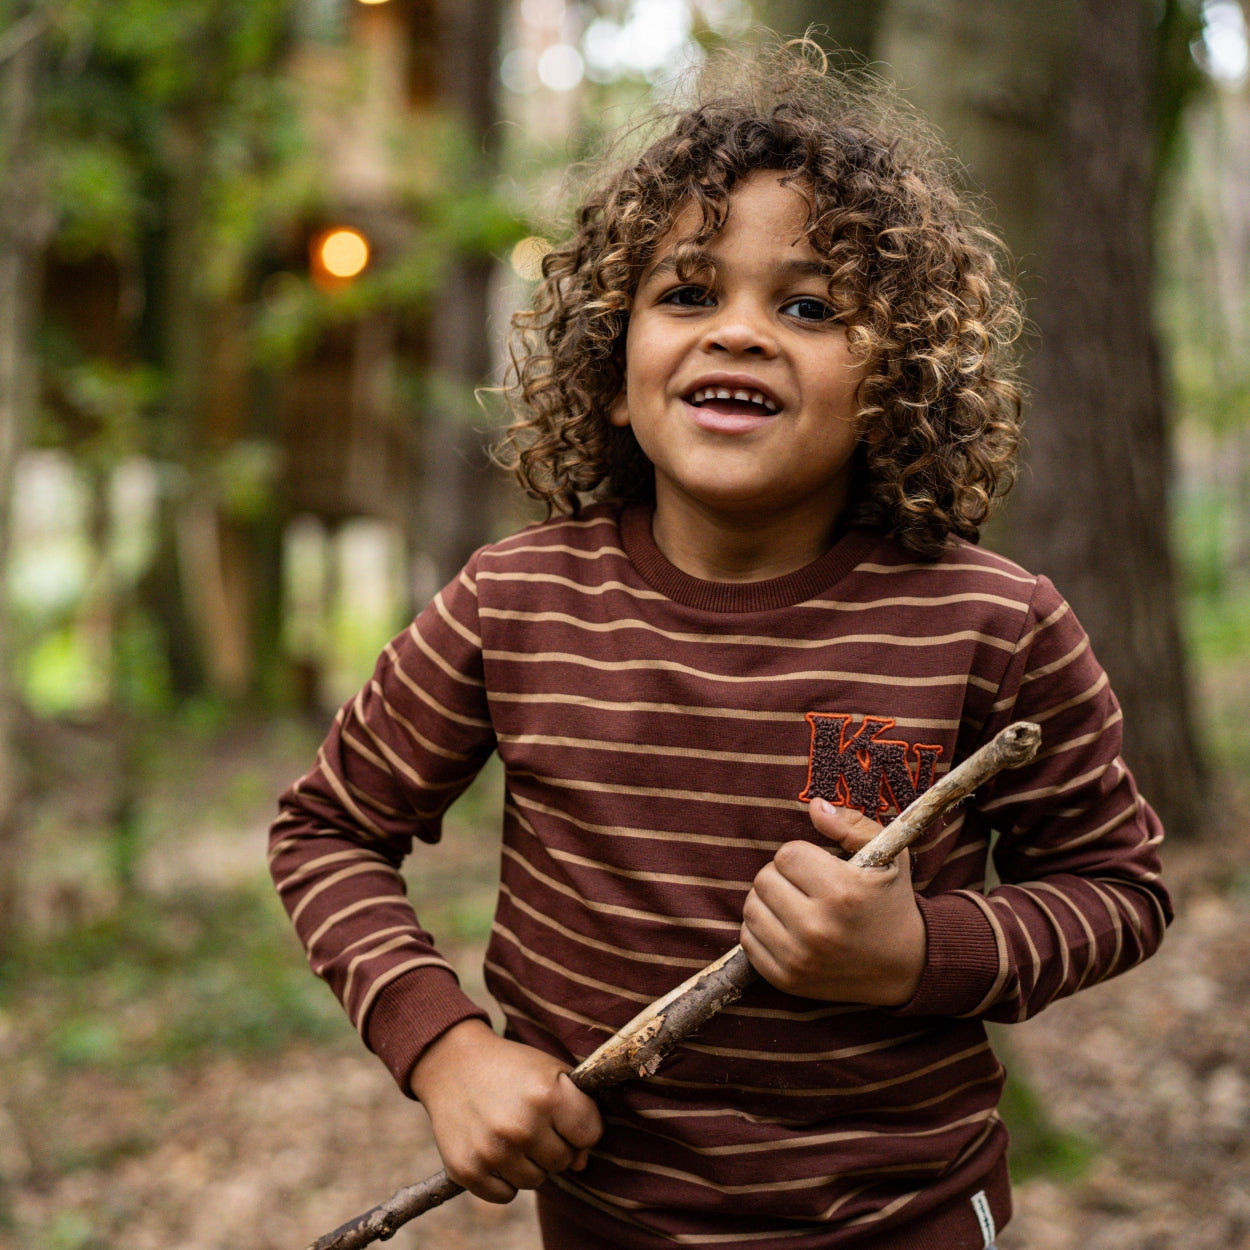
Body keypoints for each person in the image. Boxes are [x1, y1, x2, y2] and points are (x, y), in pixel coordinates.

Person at [269, 40, 1170, 1250]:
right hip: (606, 1220)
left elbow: (1118, 888)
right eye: (687, 293)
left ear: (895, 374)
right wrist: (446, 1049)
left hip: (903, 1220)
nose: (738, 331)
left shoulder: (985, 620)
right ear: (610, 361)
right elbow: (326, 828)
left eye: (806, 305)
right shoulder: (514, 602)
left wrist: (918, 949)